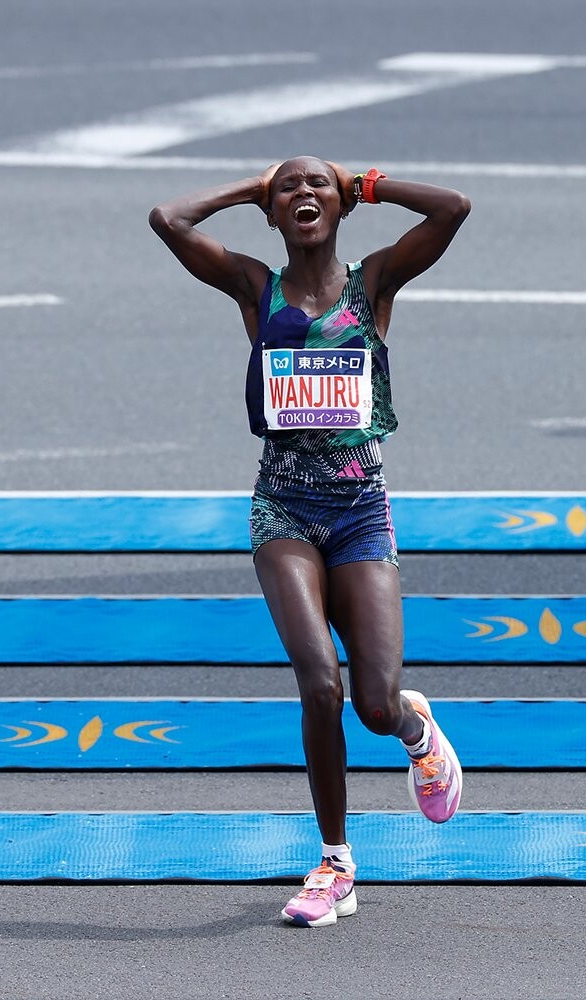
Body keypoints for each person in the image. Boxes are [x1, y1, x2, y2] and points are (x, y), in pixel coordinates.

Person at [149, 156, 471, 927]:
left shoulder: (374, 283)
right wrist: (251, 187)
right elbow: (168, 219)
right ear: (272, 211)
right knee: (320, 683)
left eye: (316, 184)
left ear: (340, 205)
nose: (302, 193)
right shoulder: (254, 287)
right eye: (288, 187)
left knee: (373, 704)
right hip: (283, 510)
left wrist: (368, 184)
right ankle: (335, 865)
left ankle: (415, 728)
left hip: (360, 513)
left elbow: (453, 207)